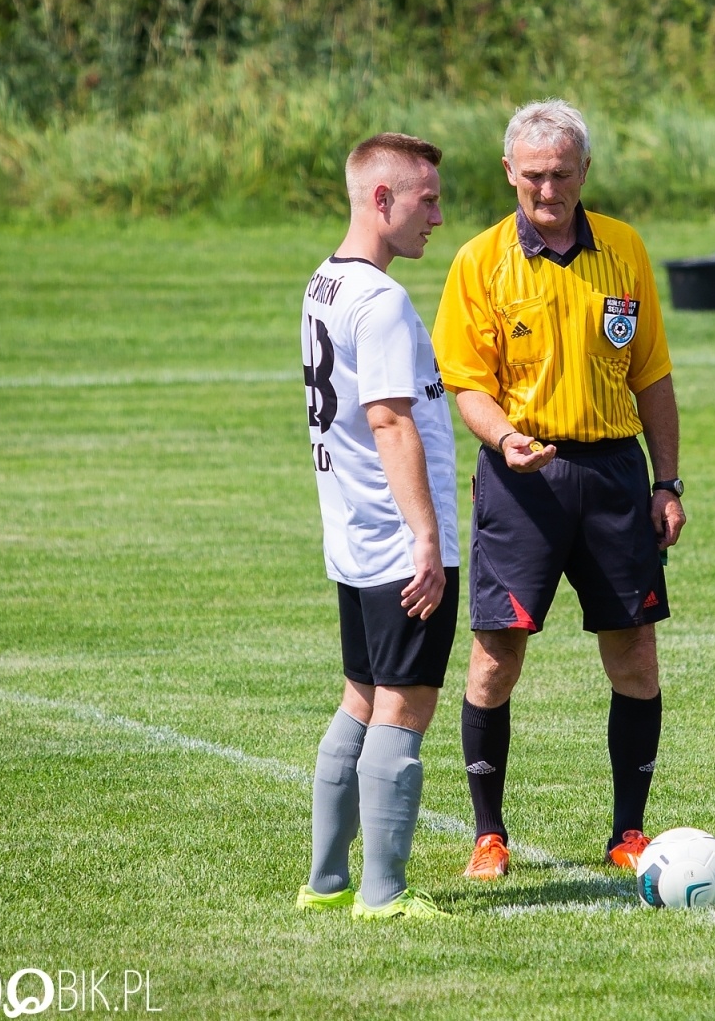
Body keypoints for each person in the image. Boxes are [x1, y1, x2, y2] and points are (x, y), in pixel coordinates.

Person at [435, 99, 685, 881]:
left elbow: (653, 376)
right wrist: (504, 438)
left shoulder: (624, 249)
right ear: (509, 172)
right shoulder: (479, 261)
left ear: (585, 173)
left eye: (563, 175)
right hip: (521, 481)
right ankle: (488, 835)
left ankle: (628, 832)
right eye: (534, 176)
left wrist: (666, 480)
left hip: (614, 475)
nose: (549, 191)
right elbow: (465, 383)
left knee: (635, 658)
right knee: (494, 659)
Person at [295, 133, 459, 921]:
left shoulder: (324, 283)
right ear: (381, 200)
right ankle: (383, 893)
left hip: (352, 537)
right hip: (399, 544)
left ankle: (325, 882)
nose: (439, 212)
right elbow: (391, 422)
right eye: (426, 198)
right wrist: (426, 541)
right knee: (405, 704)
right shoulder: (384, 301)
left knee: (361, 696)